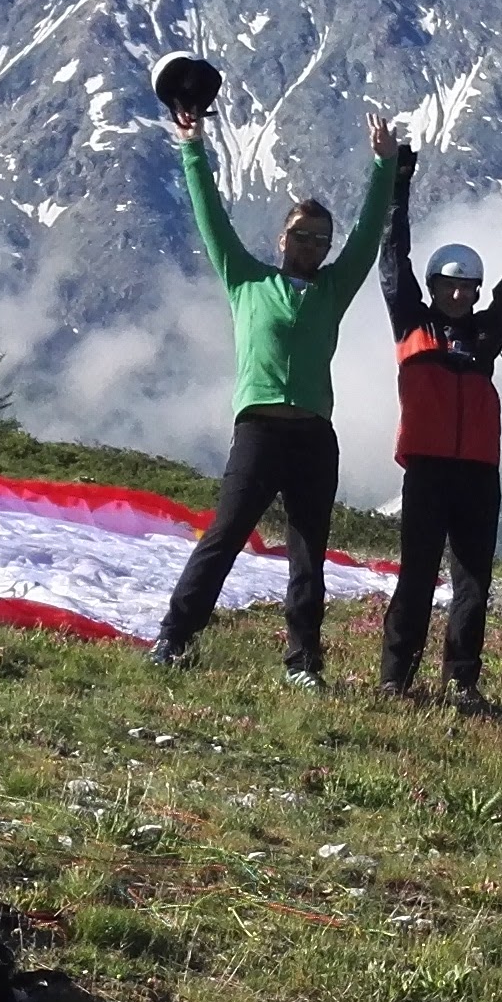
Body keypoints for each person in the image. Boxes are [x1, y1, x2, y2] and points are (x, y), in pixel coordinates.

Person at [149, 81, 403, 680]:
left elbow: (369, 235)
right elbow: (210, 215)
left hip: (315, 437)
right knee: (225, 536)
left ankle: (302, 662)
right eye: (301, 236)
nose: (311, 246)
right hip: (259, 431)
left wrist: (383, 166)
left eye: (321, 240)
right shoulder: (245, 279)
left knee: (309, 554)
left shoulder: (334, 289)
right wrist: (193, 147)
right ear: (280, 240)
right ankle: (174, 637)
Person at [372, 139, 502, 700]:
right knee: (418, 577)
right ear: (433, 287)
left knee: (474, 582)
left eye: (467, 285)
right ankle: (396, 678)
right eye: (449, 283)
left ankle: (461, 683)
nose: (458, 291)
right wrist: (396, 185)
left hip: (478, 472)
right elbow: (391, 258)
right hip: (426, 470)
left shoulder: (484, 333)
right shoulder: (411, 323)